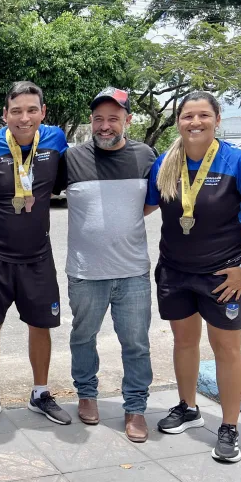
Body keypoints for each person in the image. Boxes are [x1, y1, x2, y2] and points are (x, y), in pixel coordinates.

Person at [145, 91, 241, 463]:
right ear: (179, 122)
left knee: (226, 349)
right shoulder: (165, 163)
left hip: (224, 275)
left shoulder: (239, 162)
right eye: (188, 116)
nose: (195, 122)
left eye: (203, 115)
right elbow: (144, 206)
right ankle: (188, 407)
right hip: (175, 271)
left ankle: (230, 427)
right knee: (184, 342)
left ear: (217, 120)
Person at [0, 81, 72, 427]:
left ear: (43, 112)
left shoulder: (55, 140)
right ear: (5, 114)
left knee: (41, 326)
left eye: (31, 110)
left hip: (38, 255)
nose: (24, 118)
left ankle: (40, 393)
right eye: (16, 111)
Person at [57, 88, 156, 442]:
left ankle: (136, 408)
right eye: (98, 118)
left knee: (136, 343)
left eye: (113, 118)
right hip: (86, 272)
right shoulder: (72, 159)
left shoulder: (145, 156)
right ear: (91, 121)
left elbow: (149, 204)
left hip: (133, 272)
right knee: (83, 337)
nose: (104, 125)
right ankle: (86, 394)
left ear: (128, 120)